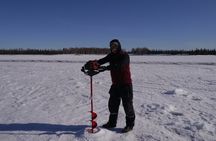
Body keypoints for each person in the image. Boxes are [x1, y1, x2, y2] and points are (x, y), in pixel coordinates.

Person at [86, 39, 135, 133]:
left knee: (127, 106)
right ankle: (112, 123)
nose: (113, 48)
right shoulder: (111, 55)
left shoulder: (124, 55)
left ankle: (129, 125)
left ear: (119, 46)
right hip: (115, 84)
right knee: (112, 104)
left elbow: (119, 65)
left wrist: (105, 68)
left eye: (115, 46)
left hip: (126, 85)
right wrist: (93, 64)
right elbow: (102, 60)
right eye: (111, 46)